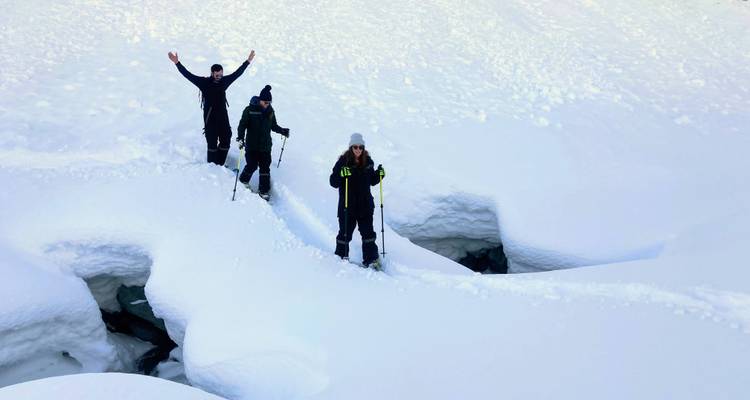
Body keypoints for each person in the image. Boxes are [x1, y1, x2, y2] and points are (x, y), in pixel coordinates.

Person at [168, 50, 255, 165]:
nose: (219, 77)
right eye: (217, 75)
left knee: (226, 140)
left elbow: (237, 73)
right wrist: (177, 63)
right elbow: (188, 75)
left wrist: (248, 61)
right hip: (210, 118)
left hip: (223, 117)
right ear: (212, 73)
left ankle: (220, 164)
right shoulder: (204, 83)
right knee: (212, 144)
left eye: (221, 74)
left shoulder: (224, 82)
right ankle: (211, 167)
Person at [329, 133, 385, 267]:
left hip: (365, 205)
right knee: (345, 234)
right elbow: (333, 182)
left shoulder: (368, 162)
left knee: (368, 234)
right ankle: (341, 257)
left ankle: (371, 260)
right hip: (347, 206)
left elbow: (372, 180)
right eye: (355, 147)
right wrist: (341, 174)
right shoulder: (343, 162)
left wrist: (379, 175)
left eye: (361, 147)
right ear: (350, 147)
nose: (358, 150)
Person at [236, 85, 290, 200]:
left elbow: (273, 126)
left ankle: (264, 190)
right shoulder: (249, 110)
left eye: (269, 102)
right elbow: (242, 125)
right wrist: (240, 138)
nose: (267, 104)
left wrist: (282, 131)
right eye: (265, 102)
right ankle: (243, 180)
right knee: (252, 165)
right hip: (252, 145)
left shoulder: (270, 111)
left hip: (265, 146)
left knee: (265, 167)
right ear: (260, 100)